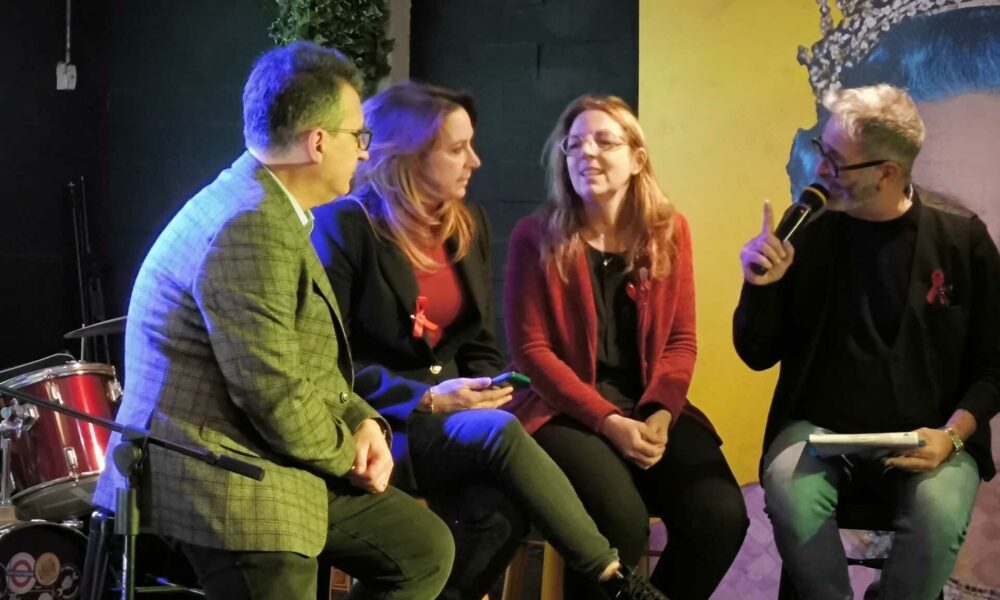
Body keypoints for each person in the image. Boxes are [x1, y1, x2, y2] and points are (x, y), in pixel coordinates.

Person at [92, 42, 455, 600]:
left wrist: (363, 423)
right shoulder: (249, 226)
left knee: (424, 548)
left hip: (257, 453)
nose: (364, 153)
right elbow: (272, 393)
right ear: (317, 142)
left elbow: (305, 360)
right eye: (358, 136)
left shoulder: (269, 206)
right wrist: (350, 458)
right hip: (220, 480)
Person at [311, 80, 665, 600]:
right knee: (500, 432)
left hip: (457, 424)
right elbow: (327, 362)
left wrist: (488, 385)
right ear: (411, 157)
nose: (475, 161)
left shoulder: (466, 225)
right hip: (382, 425)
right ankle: (614, 577)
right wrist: (427, 399)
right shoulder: (344, 226)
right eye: (458, 149)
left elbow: (477, 341)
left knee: (501, 514)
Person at [735, 84, 1000, 599]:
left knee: (939, 512)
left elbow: (995, 364)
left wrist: (952, 436)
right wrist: (760, 289)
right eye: (823, 149)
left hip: (932, 434)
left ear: (887, 172)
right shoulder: (808, 230)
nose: (820, 169)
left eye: (836, 161)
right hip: (817, 431)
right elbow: (756, 354)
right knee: (788, 488)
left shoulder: (960, 238)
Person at [503, 94, 748, 600]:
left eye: (604, 141)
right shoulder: (535, 235)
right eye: (574, 145)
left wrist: (660, 412)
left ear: (637, 159)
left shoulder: (670, 231)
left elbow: (681, 341)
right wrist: (609, 422)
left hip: (649, 404)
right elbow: (532, 352)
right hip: (565, 411)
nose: (586, 153)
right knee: (618, 523)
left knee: (720, 516)